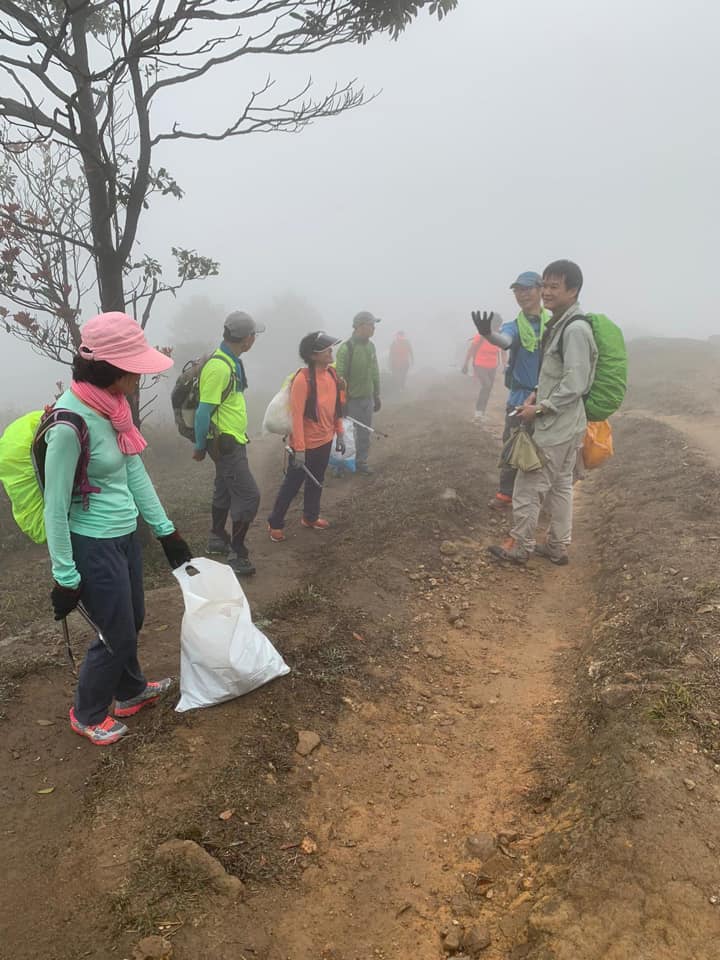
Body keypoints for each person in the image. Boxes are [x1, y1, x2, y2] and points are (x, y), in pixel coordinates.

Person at [44, 312, 193, 746]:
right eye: (134, 366)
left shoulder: (114, 408)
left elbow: (133, 471)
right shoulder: (69, 425)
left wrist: (166, 532)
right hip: (91, 542)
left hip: (124, 534)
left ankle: (128, 692)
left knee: (134, 618)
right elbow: (55, 506)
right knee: (116, 633)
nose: (139, 374)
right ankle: (86, 712)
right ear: (111, 368)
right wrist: (65, 574)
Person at [488, 260, 597, 566]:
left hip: (555, 426)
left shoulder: (573, 329)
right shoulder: (563, 323)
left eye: (553, 287)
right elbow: (557, 374)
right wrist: (538, 393)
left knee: (527, 485)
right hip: (567, 424)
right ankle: (557, 546)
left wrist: (540, 408)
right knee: (561, 486)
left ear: (573, 290)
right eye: (545, 285)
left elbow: (575, 382)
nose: (546, 293)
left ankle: (520, 546)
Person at [193, 311, 264, 577]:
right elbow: (203, 412)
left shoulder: (231, 362)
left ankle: (216, 538)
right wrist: (200, 446)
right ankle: (237, 552)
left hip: (231, 439)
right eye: (254, 335)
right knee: (249, 495)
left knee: (224, 488)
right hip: (225, 443)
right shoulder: (220, 366)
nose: (254, 339)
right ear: (247, 338)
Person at [473, 272, 551, 510]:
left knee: (547, 448)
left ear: (540, 290)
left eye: (527, 289)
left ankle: (543, 498)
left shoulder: (555, 322)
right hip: (520, 397)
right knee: (513, 443)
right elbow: (505, 340)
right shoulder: (515, 326)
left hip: (550, 397)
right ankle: (506, 493)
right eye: (518, 290)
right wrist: (488, 334)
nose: (522, 294)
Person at [267, 332, 345, 541]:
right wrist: (299, 448)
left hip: (325, 440)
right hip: (305, 444)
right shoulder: (302, 380)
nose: (331, 351)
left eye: (330, 347)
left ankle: (310, 517)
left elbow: (337, 408)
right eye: (326, 348)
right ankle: (275, 522)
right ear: (313, 355)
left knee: (317, 480)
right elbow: (297, 416)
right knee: (292, 484)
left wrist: (340, 433)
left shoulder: (332, 375)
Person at [335, 311, 382, 476]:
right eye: (371, 325)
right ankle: (342, 465)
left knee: (365, 432)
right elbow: (339, 378)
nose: (374, 329)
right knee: (347, 433)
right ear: (360, 326)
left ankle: (361, 462)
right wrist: (342, 402)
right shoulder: (346, 349)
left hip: (367, 397)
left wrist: (376, 394)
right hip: (351, 400)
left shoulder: (371, 346)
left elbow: (374, 371)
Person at [462, 316, 503, 422]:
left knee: (488, 389)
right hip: (480, 364)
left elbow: (503, 351)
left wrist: (505, 364)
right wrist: (466, 364)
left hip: (492, 366)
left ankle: (481, 413)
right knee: (486, 385)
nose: (497, 327)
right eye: (495, 325)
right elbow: (471, 350)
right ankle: (478, 413)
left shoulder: (499, 336)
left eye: (498, 325)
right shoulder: (481, 335)